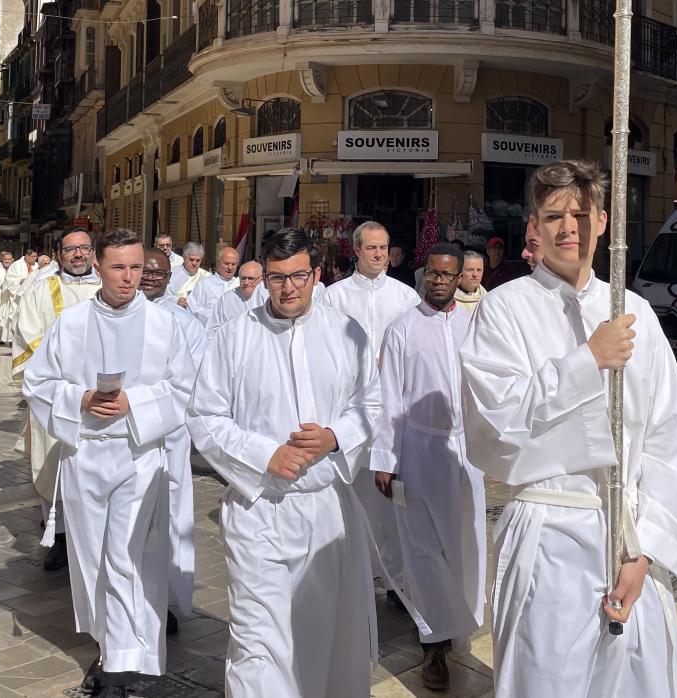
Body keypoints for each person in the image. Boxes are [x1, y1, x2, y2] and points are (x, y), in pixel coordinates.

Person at [461, 160, 677, 696]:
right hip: (549, 539)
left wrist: (645, 553)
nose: (567, 227)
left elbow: (674, 443)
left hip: (629, 543)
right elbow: (497, 418)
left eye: (580, 213)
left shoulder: (636, 314)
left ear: (603, 222)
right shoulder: (504, 311)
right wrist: (586, 361)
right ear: (533, 226)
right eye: (554, 215)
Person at [187, 229, 381, 697]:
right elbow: (204, 416)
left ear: (317, 274)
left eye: (298, 275)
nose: (288, 288)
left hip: (325, 511)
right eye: (276, 278)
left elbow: (370, 406)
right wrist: (263, 454)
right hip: (260, 513)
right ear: (263, 278)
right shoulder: (235, 337)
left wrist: (335, 437)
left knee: (324, 632)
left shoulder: (347, 332)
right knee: (258, 641)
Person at [22, 229, 195, 697]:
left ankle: (120, 663)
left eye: (137, 267)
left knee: (125, 555)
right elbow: (37, 384)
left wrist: (132, 403)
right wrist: (79, 397)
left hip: (139, 456)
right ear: (97, 266)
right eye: (119, 267)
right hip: (84, 455)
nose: (129, 277)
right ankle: (108, 643)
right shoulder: (71, 323)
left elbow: (185, 390)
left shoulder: (166, 326)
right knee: (90, 558)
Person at [372, 244, 485, 691]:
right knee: (422, 550)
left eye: (448, 274)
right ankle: (431, 643)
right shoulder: (402, 328)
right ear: (424, 276)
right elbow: (390, 397)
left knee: (466, 544)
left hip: (467, 452)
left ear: (461, 278)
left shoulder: (476, 324)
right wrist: (386, 458)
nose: (439, 281)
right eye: (433, 274)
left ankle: (458, 626)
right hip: (418, 448)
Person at [324, 220, 421, 599]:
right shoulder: (334, 296)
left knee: (391, 497)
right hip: (349, 406)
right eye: (371, 249)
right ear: (356, 250)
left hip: (392, 407)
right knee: (353, 492)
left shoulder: (405, 296)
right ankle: (357, 571)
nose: (379, 255)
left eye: (384, 248)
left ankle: (397, 579)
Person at [12, 231, 102, 570]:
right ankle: (60, 537)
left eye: (83, 248)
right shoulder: (41, 290)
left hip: (101, 397)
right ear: (58, 253)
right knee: (55, 466)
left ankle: (94, 534)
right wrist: (61, 370)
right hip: (58, 395)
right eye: (70, 249)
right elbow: (28, 334)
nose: (77, 255)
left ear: (93, 252)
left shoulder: (107, 288)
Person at [141, 248, 207, 636]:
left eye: (159, 273)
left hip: (170, 438)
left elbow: (198, 380)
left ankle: (164, 599)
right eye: (145, 270)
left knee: (168, 518)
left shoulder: (185, 323)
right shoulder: (115, 315)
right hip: (125, 438)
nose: (151, 278)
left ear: (170, 278)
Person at [183, 246, 240, 325]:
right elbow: (192, 308)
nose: (230, 268)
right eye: (226, 263)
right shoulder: (205, 284)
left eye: (233, 264)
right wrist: (214, 317)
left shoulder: (240, 285)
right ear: (218, 263)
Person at [206, 261, 263, 335]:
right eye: (243, 278)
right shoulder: (226, 299)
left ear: (261, 279)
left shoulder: (270, 298)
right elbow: (213, 328)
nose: (246, 282)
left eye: (251, 278)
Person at [0, 248, 38, 345]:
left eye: (36, 257)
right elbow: (9, 280)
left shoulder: (36, 266)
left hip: (32, 296)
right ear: (27, 256)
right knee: (15, 317)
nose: (35, 259)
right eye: (33, 256)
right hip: (17, 297)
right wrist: (21, 280)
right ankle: (12, 338)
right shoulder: (16, 265)